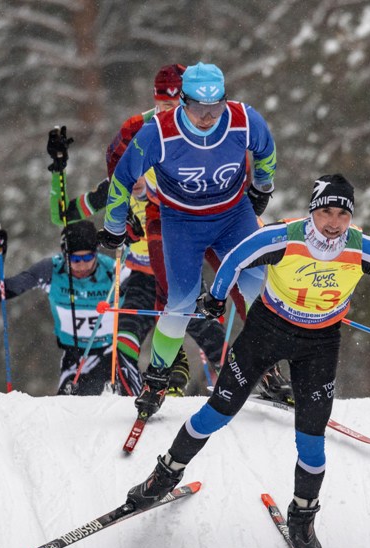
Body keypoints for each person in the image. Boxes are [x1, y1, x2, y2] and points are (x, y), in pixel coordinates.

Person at [123, 174, 370, 548]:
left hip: (320, 344)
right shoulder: (286, 237)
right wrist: (217, 297)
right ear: (313, 210)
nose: (333, 222)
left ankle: (303, 516)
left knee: (311, 440)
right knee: (217, 414)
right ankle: (164, 476)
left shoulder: (363, 248)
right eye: (326, 211)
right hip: (266, 330)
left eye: (342, 214)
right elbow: (237, 257)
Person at [96, 61, 281, 416]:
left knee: (261, 288)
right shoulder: (159, 132)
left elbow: (266, 149)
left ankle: (266, 368)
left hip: (233, 217)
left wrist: (262, 186)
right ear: (183, 101)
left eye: (215, 109)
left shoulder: (243, 119)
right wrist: (116, 225)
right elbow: (122, 178)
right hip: (182, 222)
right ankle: (158, 379)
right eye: (198, 109)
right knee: (181, 302)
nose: (208, 118)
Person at [0, 220, 141, 395]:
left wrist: (135, 243)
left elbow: (147, 284)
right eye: (75, 259)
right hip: (75, 359)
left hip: (112, 356)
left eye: (88, 258)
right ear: (65, 255)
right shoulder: (51, 270)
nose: (82, 265)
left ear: (96, 253)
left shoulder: (113, 271)